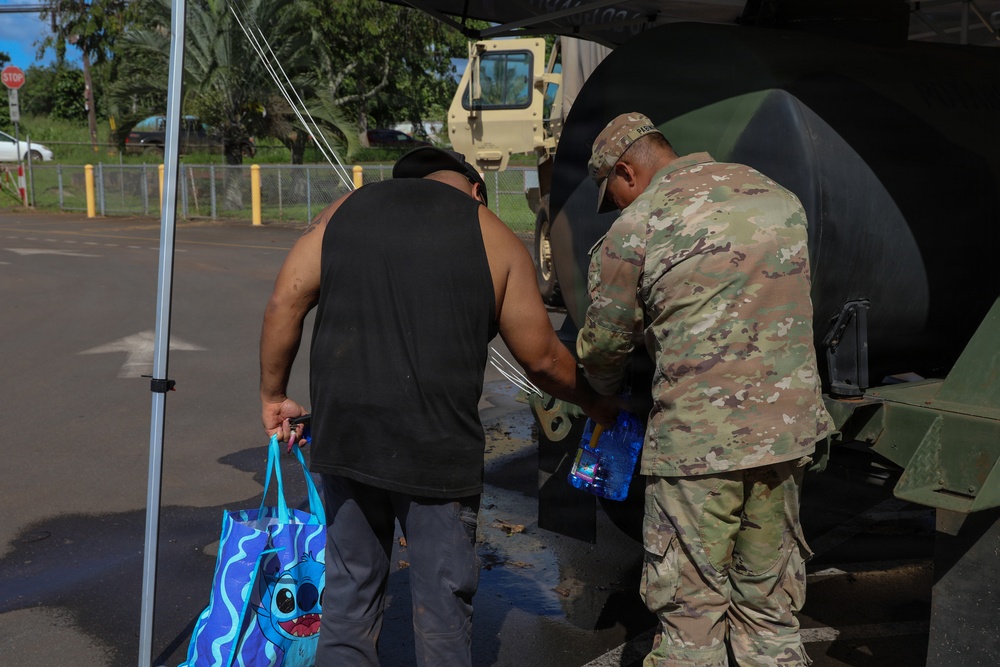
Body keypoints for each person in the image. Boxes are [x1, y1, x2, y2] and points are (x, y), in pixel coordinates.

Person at [259, 146, 617, 667]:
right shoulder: (489, 231)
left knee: (349, 598)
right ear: (475, 189)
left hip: (348, 438)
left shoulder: (343, 212)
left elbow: (283, 302)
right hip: (437, 452)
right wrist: (593, 399)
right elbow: (540, 358)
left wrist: (273, 395)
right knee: (441, 610)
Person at [576, 112, 835, 667]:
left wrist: (601, 396)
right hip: (786, 435)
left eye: (613, 194)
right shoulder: (777, 197)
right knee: (770, 607)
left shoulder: (639, 224)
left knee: (691, 617)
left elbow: (604, 345)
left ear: (626, 171)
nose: (617, 206)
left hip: (698, 444)